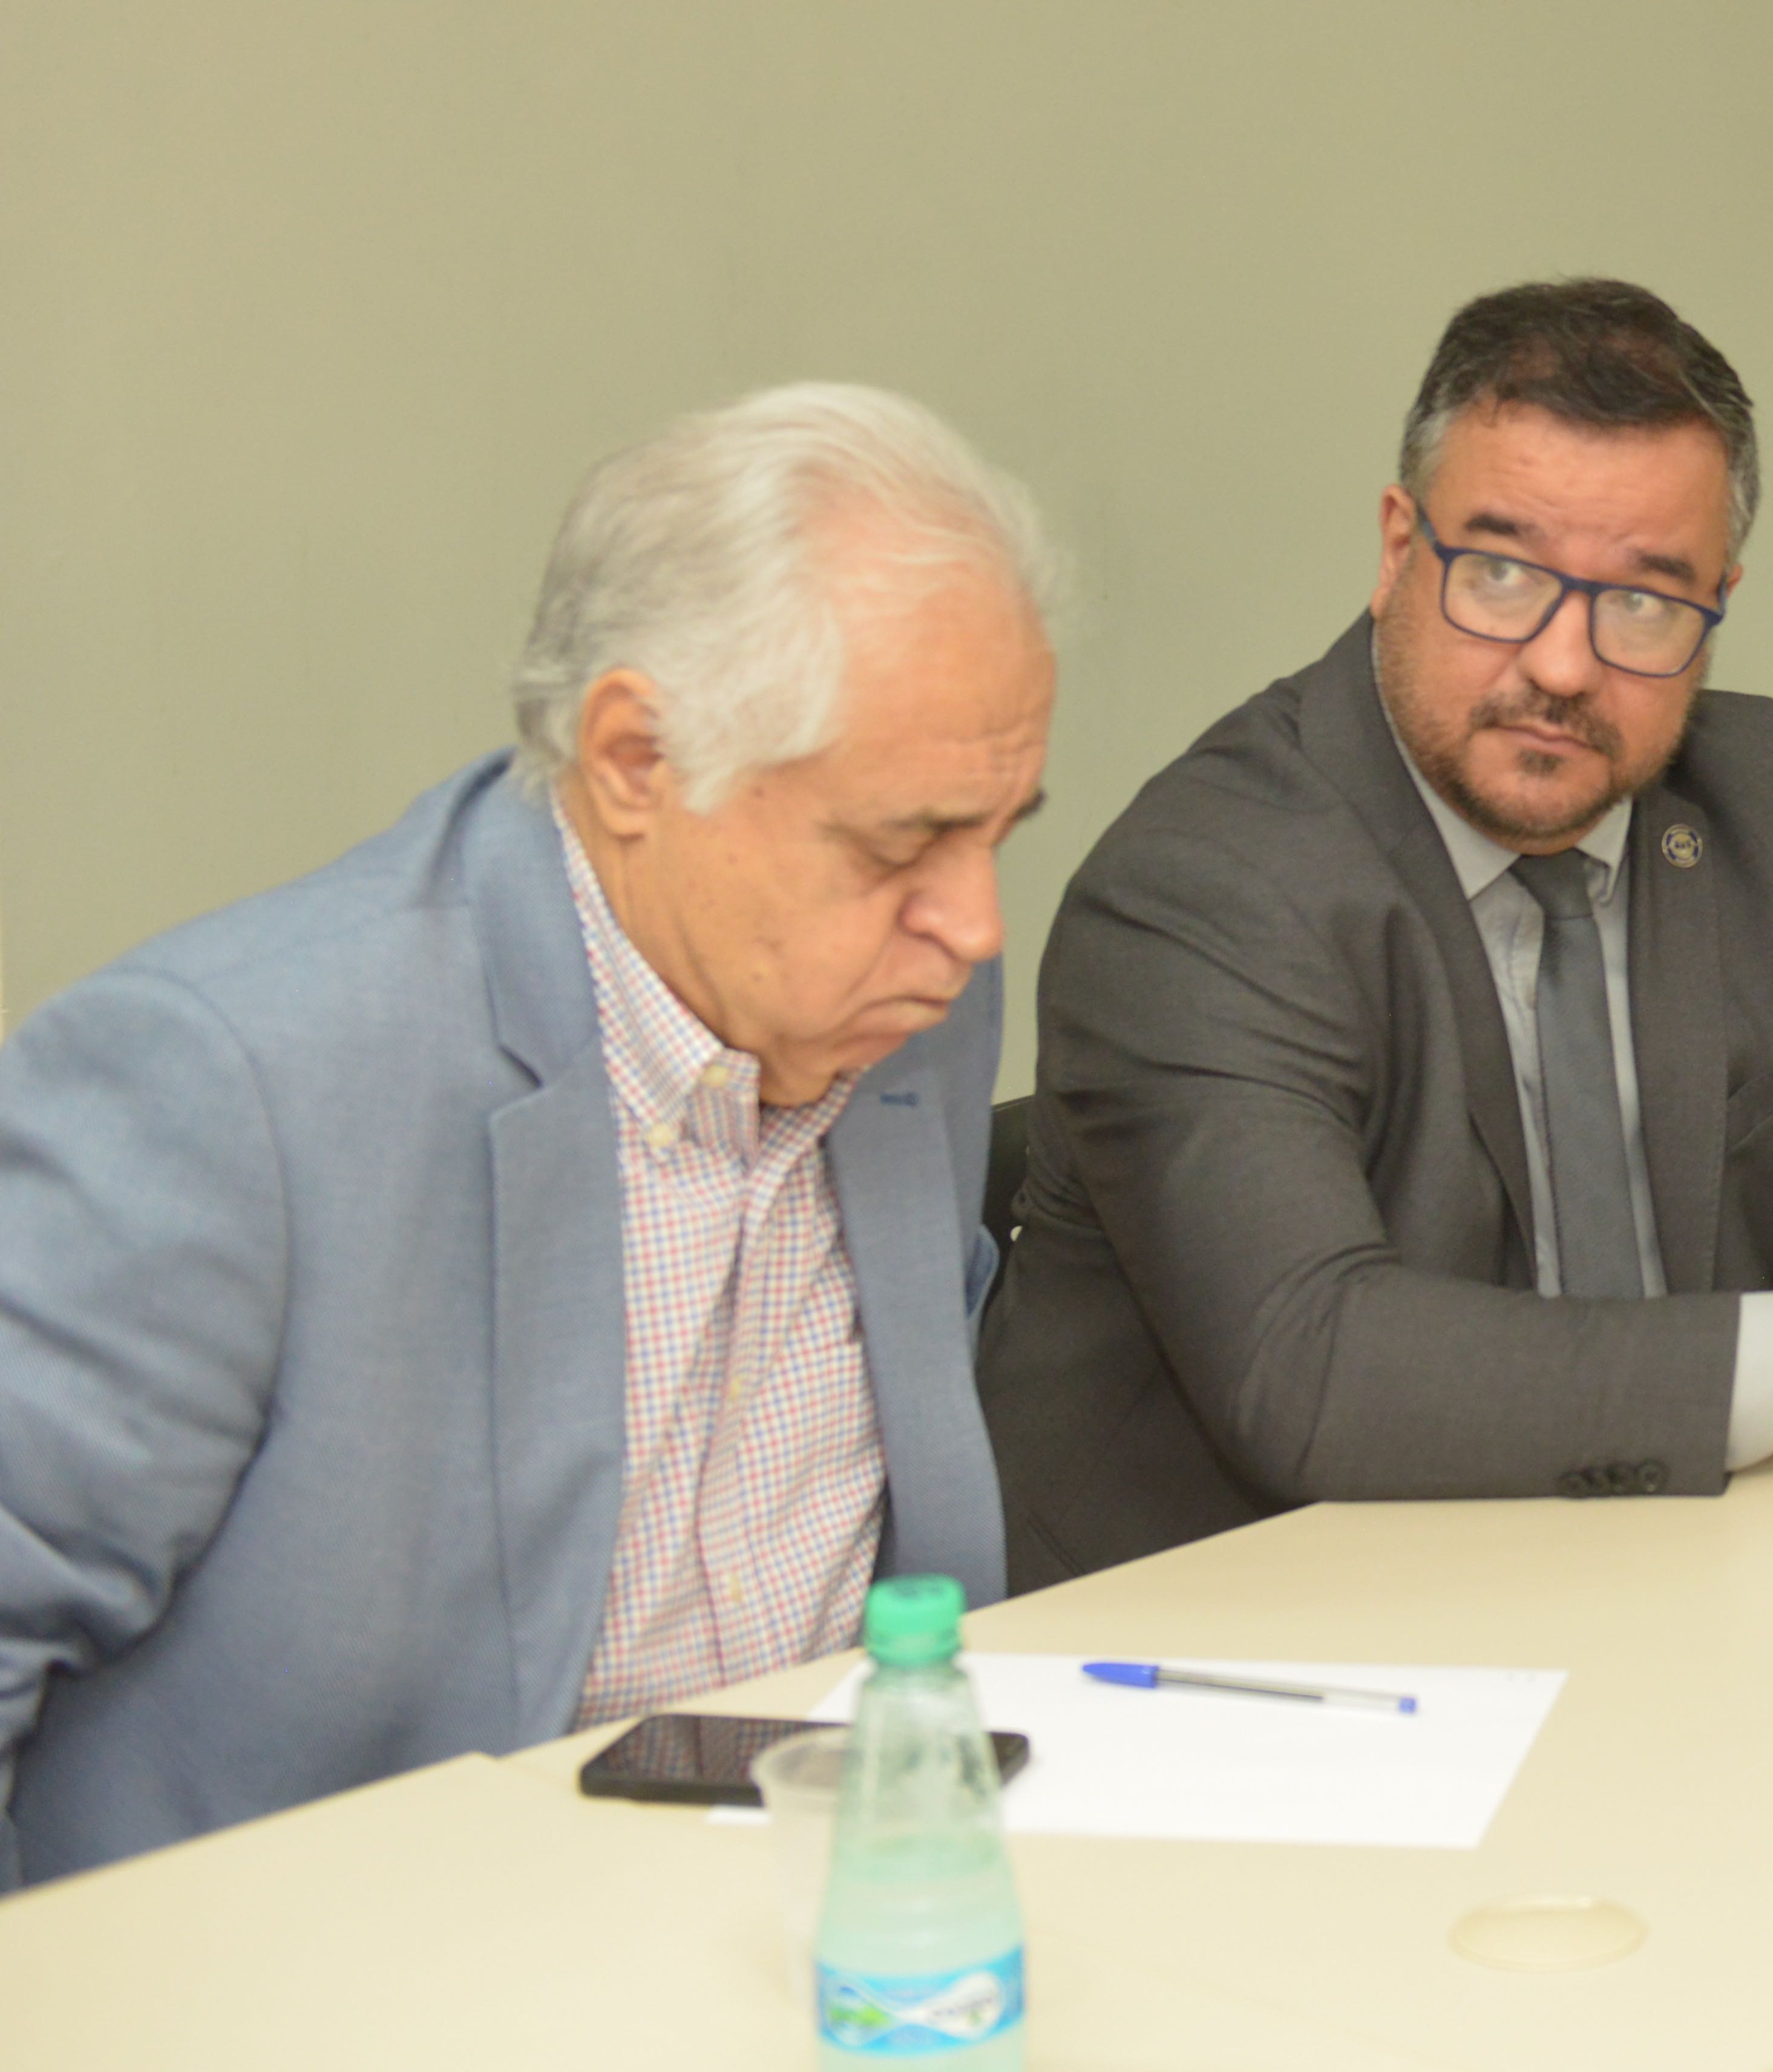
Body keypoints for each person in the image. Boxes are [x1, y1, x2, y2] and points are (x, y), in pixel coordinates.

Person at [0, 386, 1054, 1889]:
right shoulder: (230, 1081)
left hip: (831, 1902)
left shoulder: (904, 997)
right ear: (635, 758)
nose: (974, 924)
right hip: (344, 1948)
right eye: (903, 840)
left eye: (999, 831)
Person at [976, 283, 1773, 1586]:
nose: (1561, 664)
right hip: (1250, 1633)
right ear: (1396, 549)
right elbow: (1314, 1366)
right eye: (1499, 572)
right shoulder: (1206, 879)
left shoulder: (1765, 791)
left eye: (1645, 600)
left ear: (1719, 601)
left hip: (1688, 1577)